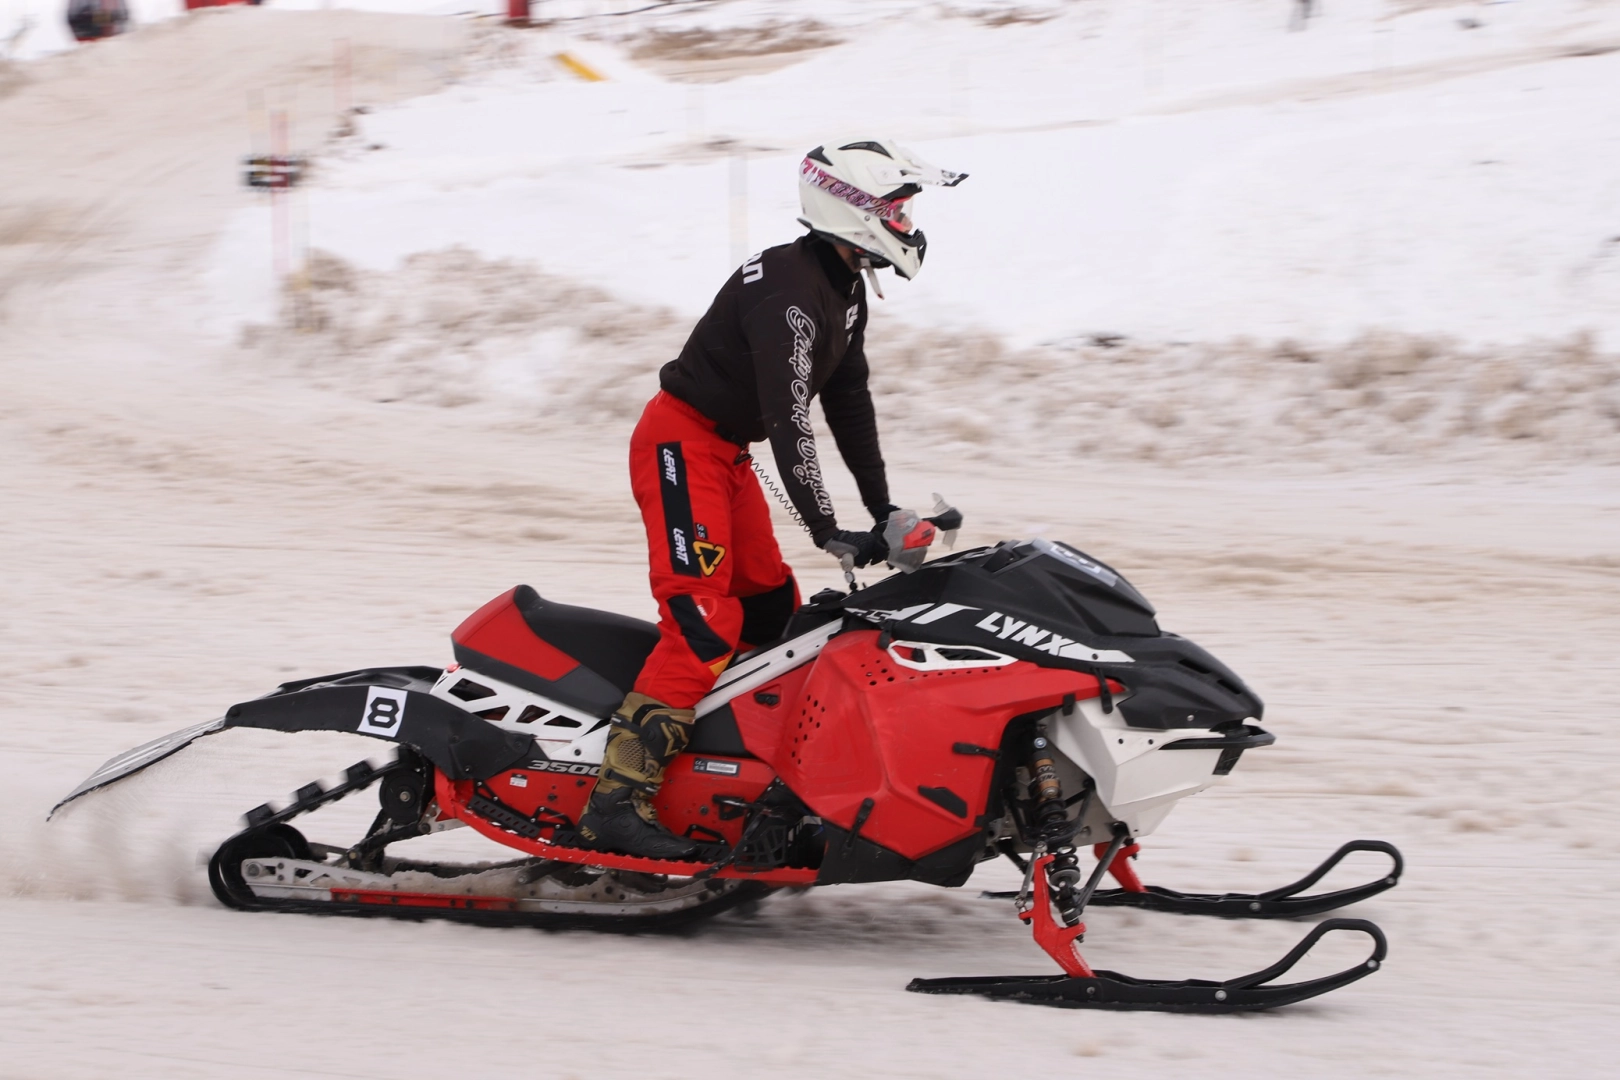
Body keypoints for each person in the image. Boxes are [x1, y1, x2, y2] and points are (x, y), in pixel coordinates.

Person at [576, 139, 966, 859]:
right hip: (680, 443)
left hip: (725, 451)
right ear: (850, 209)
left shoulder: (842, 284)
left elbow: (848, 403)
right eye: (896, 208)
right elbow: (790, 420)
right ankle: (617, 799)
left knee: (769, 608)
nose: (907, 222)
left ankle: (729, 778)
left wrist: (881, 512)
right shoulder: (790, 294)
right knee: (702, 621)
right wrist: (828, 529)